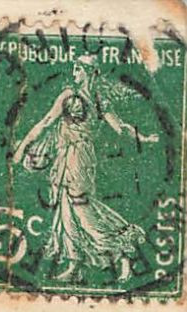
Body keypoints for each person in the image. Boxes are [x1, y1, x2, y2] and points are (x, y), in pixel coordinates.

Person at [11, 56, 158, 283]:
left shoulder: (99, 100)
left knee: (84, 210)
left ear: (90, 72)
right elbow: (46, 121)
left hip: (81, 160)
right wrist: (22, 148)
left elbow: (120, 127)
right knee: (66, 210)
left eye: (79, 69)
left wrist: (144, 138)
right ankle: (75, 264)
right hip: (65, 156)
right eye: (75, 69)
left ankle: (122, 252)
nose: (75, 73)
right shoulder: (68, 97)